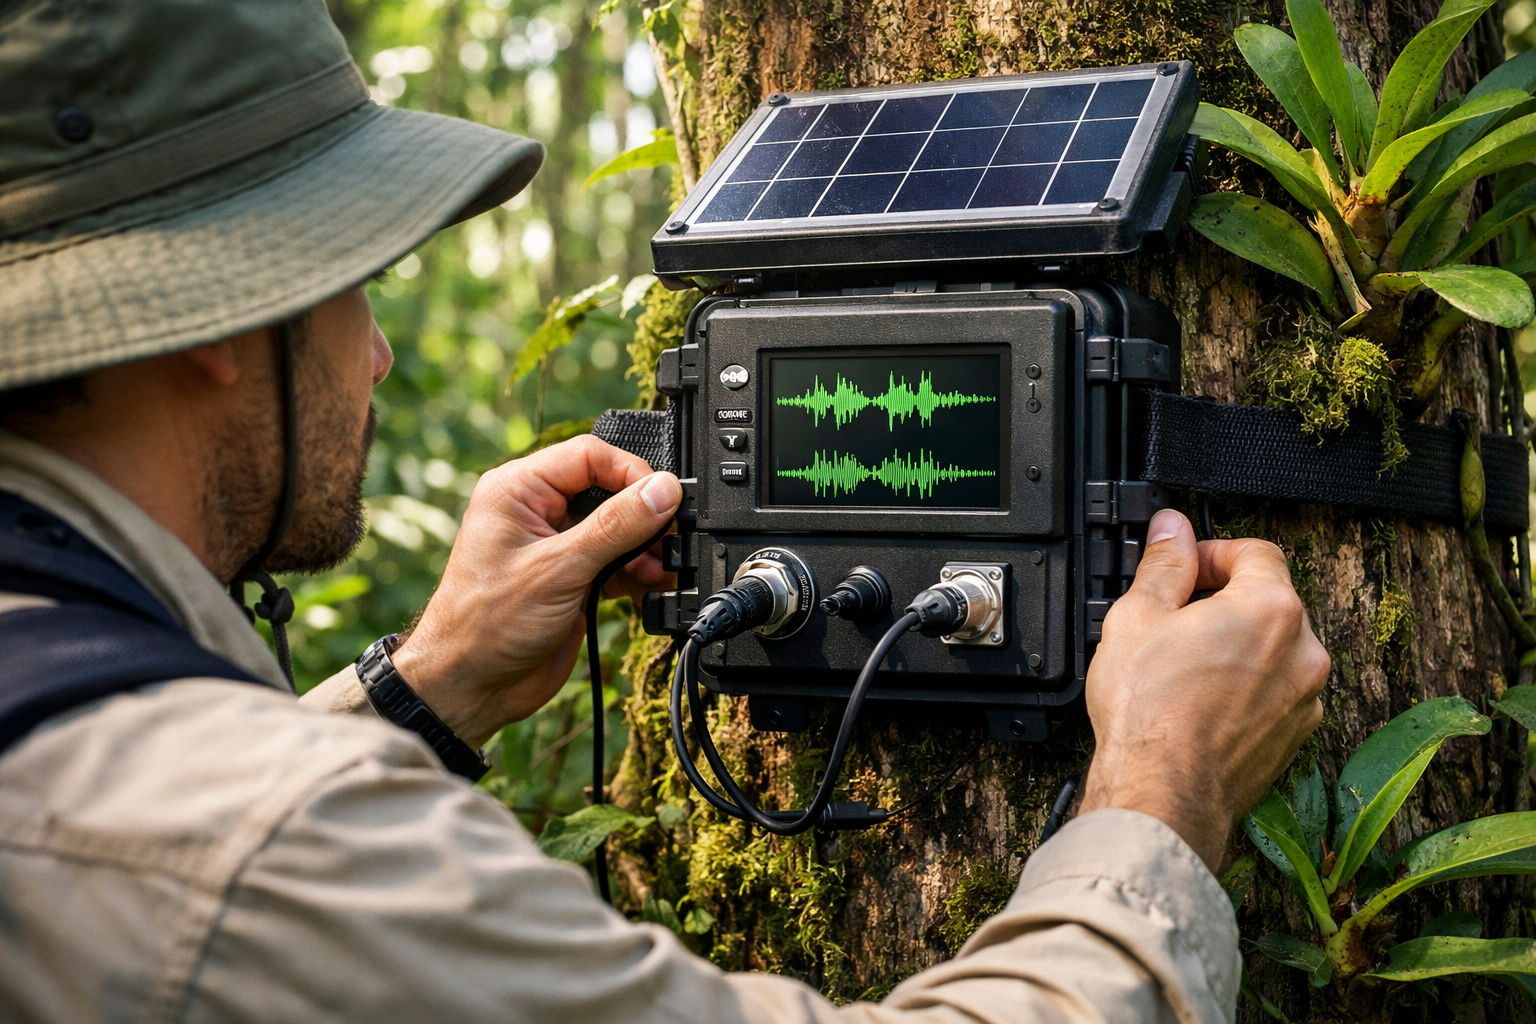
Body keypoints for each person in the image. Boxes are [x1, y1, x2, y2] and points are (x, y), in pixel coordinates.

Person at [0, 1, 1331, 1021]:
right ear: (214, 313)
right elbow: (213, 863)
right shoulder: (260, 851)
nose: (378, 354)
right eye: (360, 281)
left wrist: (431, 685)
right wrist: (1161, 798)